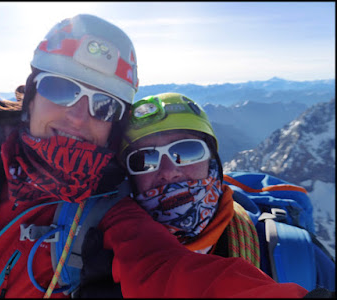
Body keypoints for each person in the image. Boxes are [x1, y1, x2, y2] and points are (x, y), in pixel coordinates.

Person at [0, 14, 138, 298]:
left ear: (114, 128)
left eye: (104, 106)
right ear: (31, 96)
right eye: (61, 89)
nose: (79, 117)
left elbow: (167, 269)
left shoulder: (111, 212)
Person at [81, 92, 335, 298]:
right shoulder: (93, 255)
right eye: (145, 160)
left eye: (187, 151)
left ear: (214, 162)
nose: (169, 172)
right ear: (129, 177)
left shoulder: (295, 256)